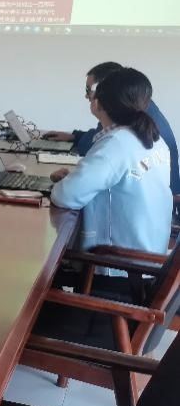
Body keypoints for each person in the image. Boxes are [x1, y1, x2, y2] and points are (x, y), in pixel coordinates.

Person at [50, 67, 172, 280]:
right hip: (150, 261)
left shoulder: (116, 144)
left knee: (42, 270)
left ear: (97, 103)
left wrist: (66, 183)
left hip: (118, 269)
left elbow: (65, 196)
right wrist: (75, 179)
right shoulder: (152, 138)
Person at [43, 61, 180, 194]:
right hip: (158, 202)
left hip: (164, 201)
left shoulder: (118, 138)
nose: (87, 96)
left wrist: (70, 182)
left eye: (89, 90)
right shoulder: (137, 113)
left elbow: (94, 147)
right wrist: (75, 136)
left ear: (105, 89)